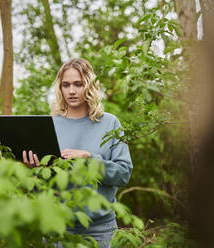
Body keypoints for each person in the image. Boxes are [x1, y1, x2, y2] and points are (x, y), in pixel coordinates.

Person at [23, 58, 133, 248]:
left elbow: (123, 174)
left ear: (89, 85)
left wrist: (90, 159)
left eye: (78, 84)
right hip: (56, 228)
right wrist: (35, 171)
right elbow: (41, 188)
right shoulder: (49, 125)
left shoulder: (110, 123)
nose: (71, 91)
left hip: (100, 230)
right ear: (60, 88)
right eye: (66, 85)